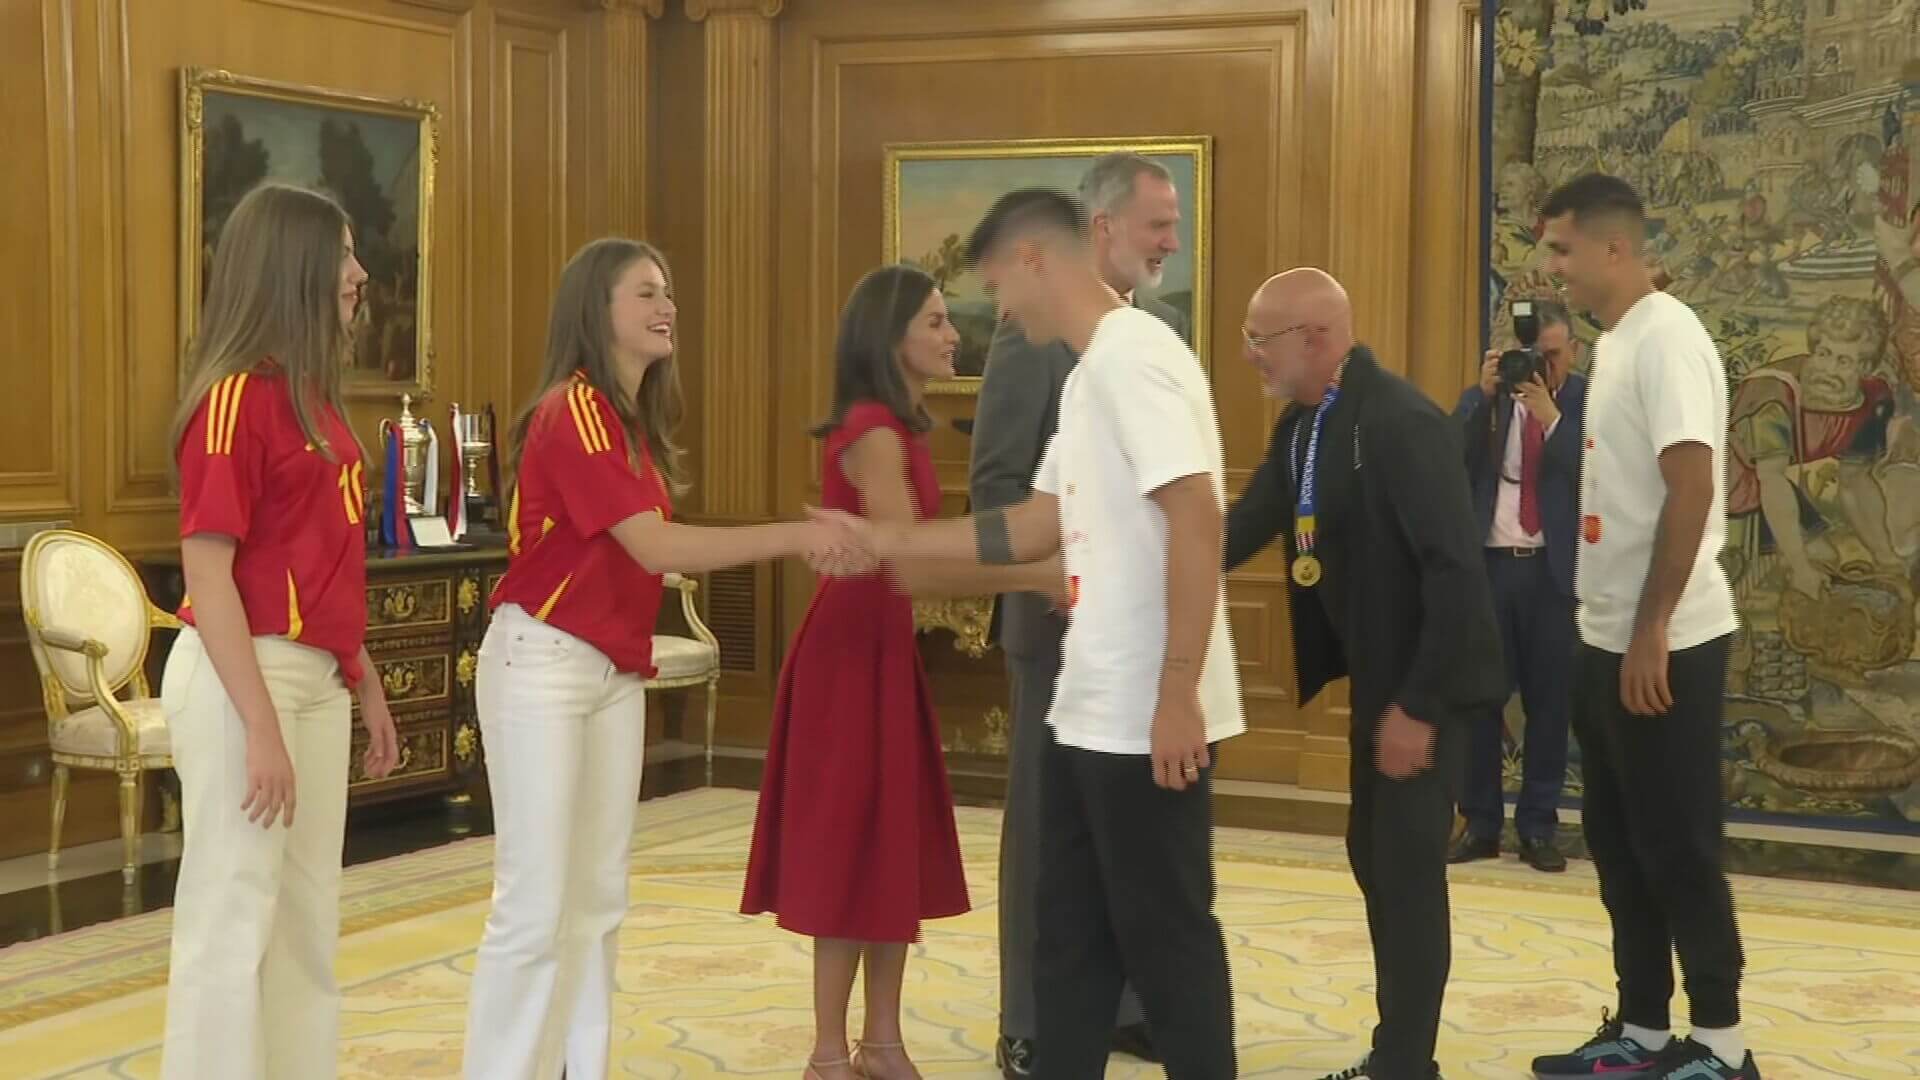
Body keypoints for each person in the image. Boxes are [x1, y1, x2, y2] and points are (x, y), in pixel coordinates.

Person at [824, 188, 1243, 1080]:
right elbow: (1031, 527)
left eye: (993, 289)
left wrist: (1178, 689)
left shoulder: (1136, 359)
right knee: (1070, 946)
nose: (995, 314)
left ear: (1032, 260)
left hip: (1146, 713)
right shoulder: (1092, 373)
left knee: (1169, 947)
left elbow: (1199, 516)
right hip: (1089, 708)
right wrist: (895, 543)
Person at [463, 238, 863, 1080]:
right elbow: (650, 546)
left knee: (599, 898)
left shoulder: (627, 425)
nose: (666, 305)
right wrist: (798, 535)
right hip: (543, 661)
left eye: (668, 290)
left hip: (610, 669)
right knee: (535, 904)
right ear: (595, 310)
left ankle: (581, 1068)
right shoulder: (571, 409)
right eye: (645, 292)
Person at [741, 264, 1061, 1080]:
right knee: (847, 846)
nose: (954, 335)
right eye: (935, 321)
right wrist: (1034, 573)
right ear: (890, 339)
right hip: (850, 656)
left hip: (881, 650)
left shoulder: (900, 426)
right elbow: (909, 565)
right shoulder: (874, 429)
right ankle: (826, 1049)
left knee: (889, 846)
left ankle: (881, 1041)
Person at [1224, 268, 1504, 1080]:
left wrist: (1417, 708)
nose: (1248, 355)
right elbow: (1249, 524)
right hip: (1380, 683)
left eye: (1258, 339)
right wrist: (1154, 575)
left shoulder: (1402, 423)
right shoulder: (1307, 426)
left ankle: (1405, 1064)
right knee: (1371, 855)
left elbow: (1455, 574)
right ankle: (1398, 1054)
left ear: (1314, 338)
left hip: (1431, 681)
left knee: (1407, 870)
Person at [160, 182, 403, 1080]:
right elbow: (210, 573)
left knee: (305, 916)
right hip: (240, 676)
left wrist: (362, 673)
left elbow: (319, 563)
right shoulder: (234, 400)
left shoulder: (317, 401)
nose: (359, 272)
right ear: (294, 263)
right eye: (342, 254)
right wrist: (259, 721)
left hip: (314, 677)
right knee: (231, 914)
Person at [1528, 175, 1757, 1080]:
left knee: (1678, 843)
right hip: (1605, 634)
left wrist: (1653, 628)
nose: (1552, 269)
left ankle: (1725, 1047)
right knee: (1620, 845)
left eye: (1561, 251)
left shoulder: (1669, 339)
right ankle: (1647, 1030)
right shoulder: (1618, 340)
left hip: (1666, 642)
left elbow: (1692, 486)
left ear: (1613, 249)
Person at [967, 150, 1187, 1076]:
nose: (1172, 243)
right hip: (1058, 634)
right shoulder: (1032, 338)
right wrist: (1071, 570)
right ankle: (1032, 1014)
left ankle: (1125, 1001)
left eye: (1176, 226)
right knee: (1050, 831)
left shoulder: (1165, 330)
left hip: (1142, 633)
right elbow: (995, 488)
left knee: (1129, 830)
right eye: (1157, 226)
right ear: (1102, 230)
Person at [1449, 299, 1587, 873]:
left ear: (1572, 352)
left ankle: (1537, 827)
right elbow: (1446, 461)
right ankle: (1480, 822)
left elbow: (1590, 466)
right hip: (1490, 568)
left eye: (1551, 356)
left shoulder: (1583, 402)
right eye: (1532, 355)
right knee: (1481, 700)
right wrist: (1480, 398)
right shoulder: (1486, 400)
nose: (1540, 367)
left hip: (1552, 572)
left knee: (1549, 705)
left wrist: (1550, 415)